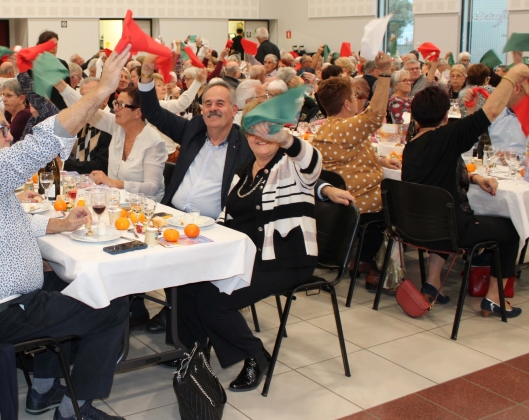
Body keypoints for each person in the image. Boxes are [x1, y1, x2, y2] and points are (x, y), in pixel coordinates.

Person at [0, 46, 134, 420]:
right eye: (1, 129)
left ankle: (42, 390)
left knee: (58, 283)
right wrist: (102, 90)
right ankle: (77, 409)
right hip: (3, 310)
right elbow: (47, 139)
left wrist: (60, 224)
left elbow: (6, 221)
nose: (9, 137)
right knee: (112, 307)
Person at [177, 98, 322, 392]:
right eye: (253, 131)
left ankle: (256, 356)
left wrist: (283, 137)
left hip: (285, 258)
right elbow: (225, 215)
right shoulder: (243, 172)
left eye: (268, 130)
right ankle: (194, 353)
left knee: (213, 303)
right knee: (188, 283)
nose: (261, 137)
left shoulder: (292, 168)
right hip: (244, 256)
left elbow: (313, 162)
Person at [402, 55, 529, 317]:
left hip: (418, 228)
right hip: (451, 230)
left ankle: (433, 281)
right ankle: (495, 298)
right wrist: (513, 75)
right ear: (446, 115)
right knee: (511, 226)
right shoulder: (448, 137)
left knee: (444, 213)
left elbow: (439, 171)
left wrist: (473, 177)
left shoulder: (411, 147)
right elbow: (490, 111)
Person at [314, 52, 401, 286]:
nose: (357, 100)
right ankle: (378, 267)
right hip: (359, 201)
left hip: (343, 200)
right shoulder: (345, 127)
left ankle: (362, 259)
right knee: (398, 206)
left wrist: (381, 161)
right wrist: (384, 74)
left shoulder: (327, 128)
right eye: (355, 96)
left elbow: (350, 154)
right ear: (347, 104)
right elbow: (375, 115)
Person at [54, 82, 167, 200]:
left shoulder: (154, 142)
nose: (115, 109)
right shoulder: (117, 127)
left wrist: (112, 182)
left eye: (121, 105)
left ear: (138, 113)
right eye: (116, 103)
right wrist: (60, 85)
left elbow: (151, 188)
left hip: (145, 208)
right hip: (115, 201)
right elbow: (85, 109)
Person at [63, 78, 112, 174]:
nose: (84, 102)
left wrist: (65, 165)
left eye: (89, 96)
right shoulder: (84, 120)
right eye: (81, 97)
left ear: (105, 99)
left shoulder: (113, 124)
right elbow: (80, 154)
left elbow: (101, 165)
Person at [488, 73, 529, 152]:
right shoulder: (496, 114)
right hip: (491, 162)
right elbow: (475, 142)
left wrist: (515, 157)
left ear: (517, 89)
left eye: (503, 88)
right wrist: (471, 110)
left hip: (518, 163)